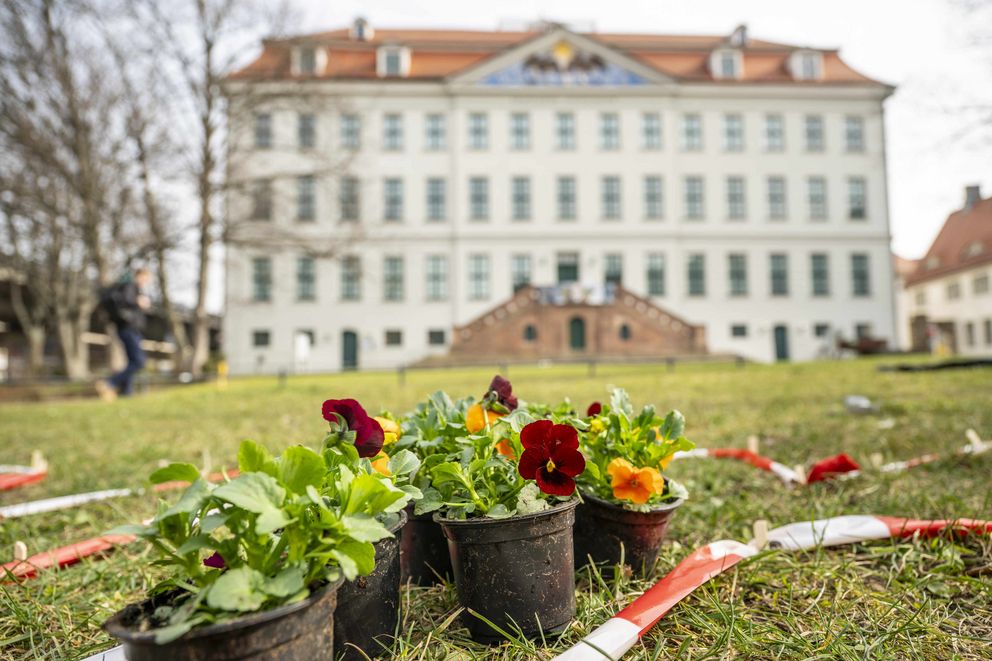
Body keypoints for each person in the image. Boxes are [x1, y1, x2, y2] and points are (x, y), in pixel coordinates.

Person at [96, 268, 152, 400]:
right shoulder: (130, 286)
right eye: (146, 279)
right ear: (140, 276)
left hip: (128, 328)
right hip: (128, 328)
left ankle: (126, 392)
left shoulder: (130, 287)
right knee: (139, 361)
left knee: (132, 361)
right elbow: (127, 301)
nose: (147, 282)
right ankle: (110, 382)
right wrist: (139, 302)